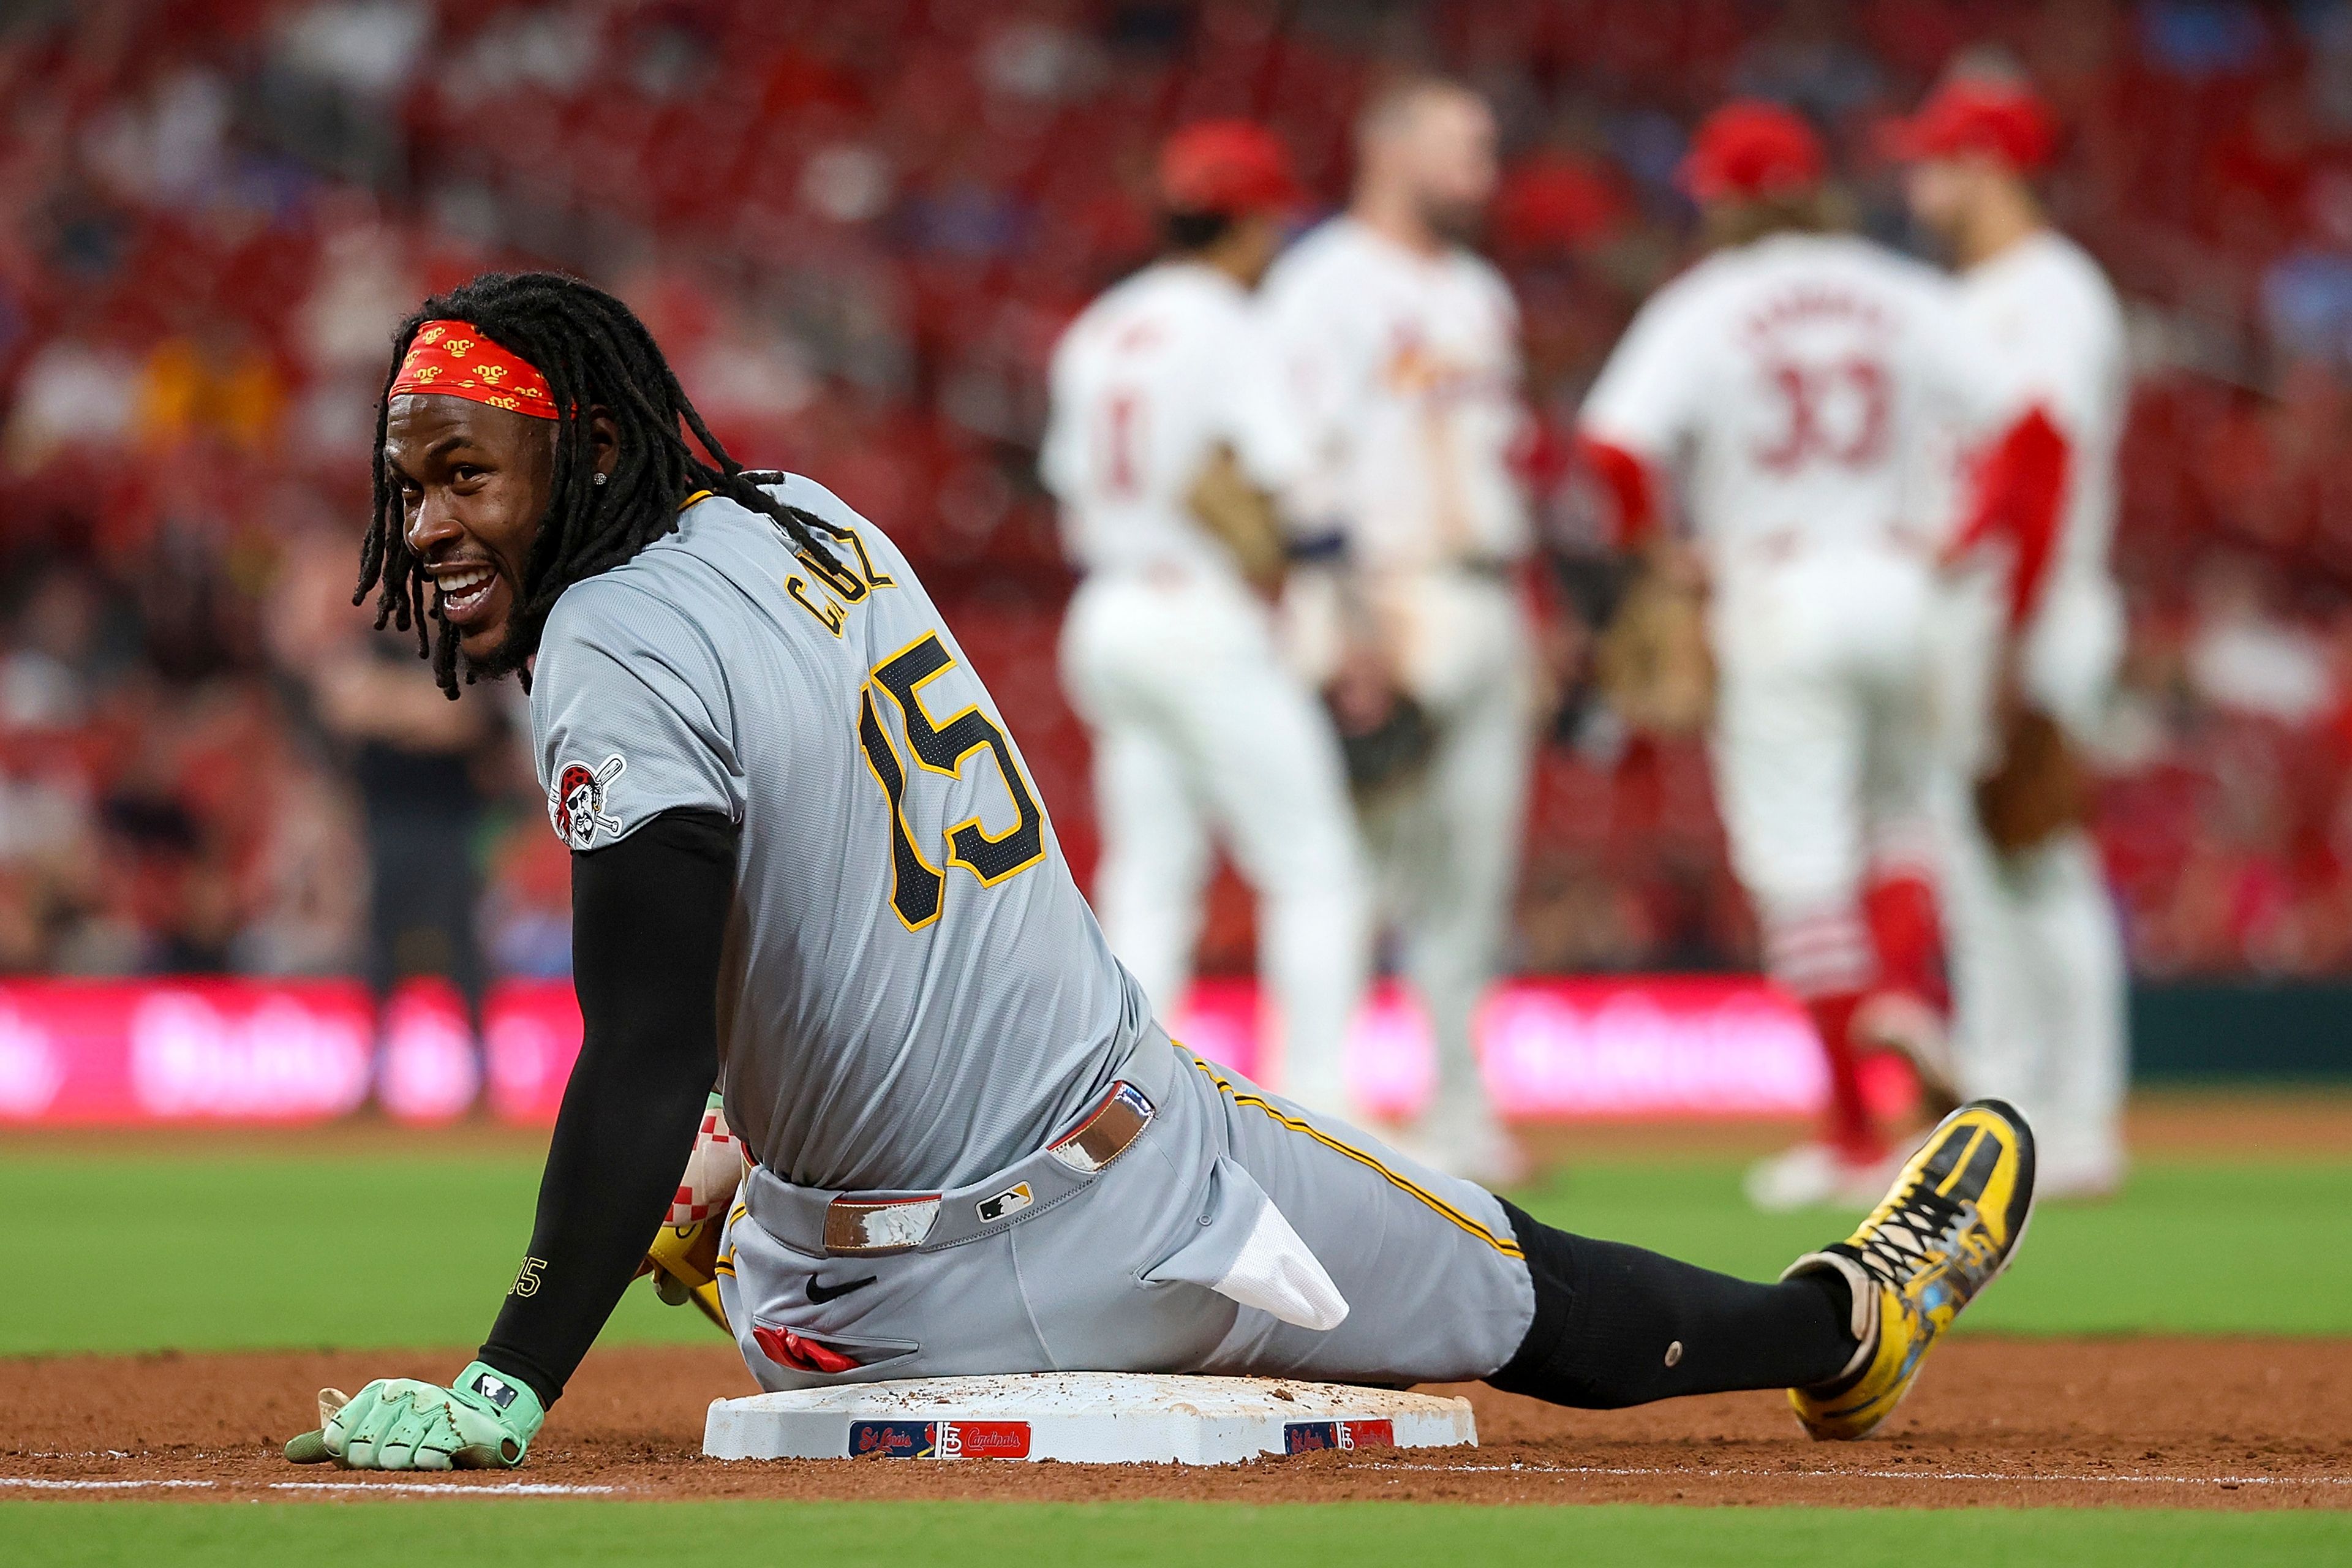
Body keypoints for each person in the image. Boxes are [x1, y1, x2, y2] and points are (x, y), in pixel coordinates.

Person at [293, 270, 2033, 1473]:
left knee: (1476, 1260)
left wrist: (534, 1355)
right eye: (410, 486)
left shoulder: (604, 639)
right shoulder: (805, 516)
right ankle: (1844, 1329)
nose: (429, 522)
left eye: (463, 474)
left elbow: (685, 1010)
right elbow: (871, 905)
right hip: (1122, 1207)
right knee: (1531, 1292)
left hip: (817, 1294)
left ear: (585, 452)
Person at [1577, 102, 2045, 1210]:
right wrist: (1969, 539)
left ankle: (1846, 1133)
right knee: (1905, 828)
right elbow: (2030, 432)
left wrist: (1663, 553)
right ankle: (1899, 990)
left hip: (1775, 587)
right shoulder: (1900, 287)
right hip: (1901, 584)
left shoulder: (1707, 303)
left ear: (1729, 200)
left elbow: (1614, 447)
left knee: (1801, 870)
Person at [1041, 122, 1370, 1124]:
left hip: (1106, 608)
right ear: (1254, 222)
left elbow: (1066, 482)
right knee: (1317, 865)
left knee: (1152, 874)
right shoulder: (1232, 323)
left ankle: (1124, 1105)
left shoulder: (1101, 327)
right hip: (1199, 611)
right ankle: (1316, 1107)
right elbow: (1296, 492)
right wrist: (1351, 616)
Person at [1257, 80, 1534, 1185]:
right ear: (1390, 144)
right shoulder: (1321, 284)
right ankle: (1307, 1110)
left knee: (1471, 874)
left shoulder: (1478, 290)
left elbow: (1499, 464)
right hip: (1378, 594)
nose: (1487, 160)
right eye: (1464, 139)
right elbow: (1296, 463)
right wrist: (1353, 627)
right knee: (1348, 866)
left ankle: (1460, 1114)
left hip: (1482, 592)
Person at [1893, 72, 2130, 1199]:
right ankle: (2008, 1113)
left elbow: (2043, 468)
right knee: (1982, 875)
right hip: (1979, 610)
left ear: (1988, 162)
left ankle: (2076, 1123)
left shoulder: (2051, 292)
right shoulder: (1977, 292)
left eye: (1935, 157)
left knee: (2039, 863)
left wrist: (2017, 644)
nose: (1916, 176)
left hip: (2028, 609)